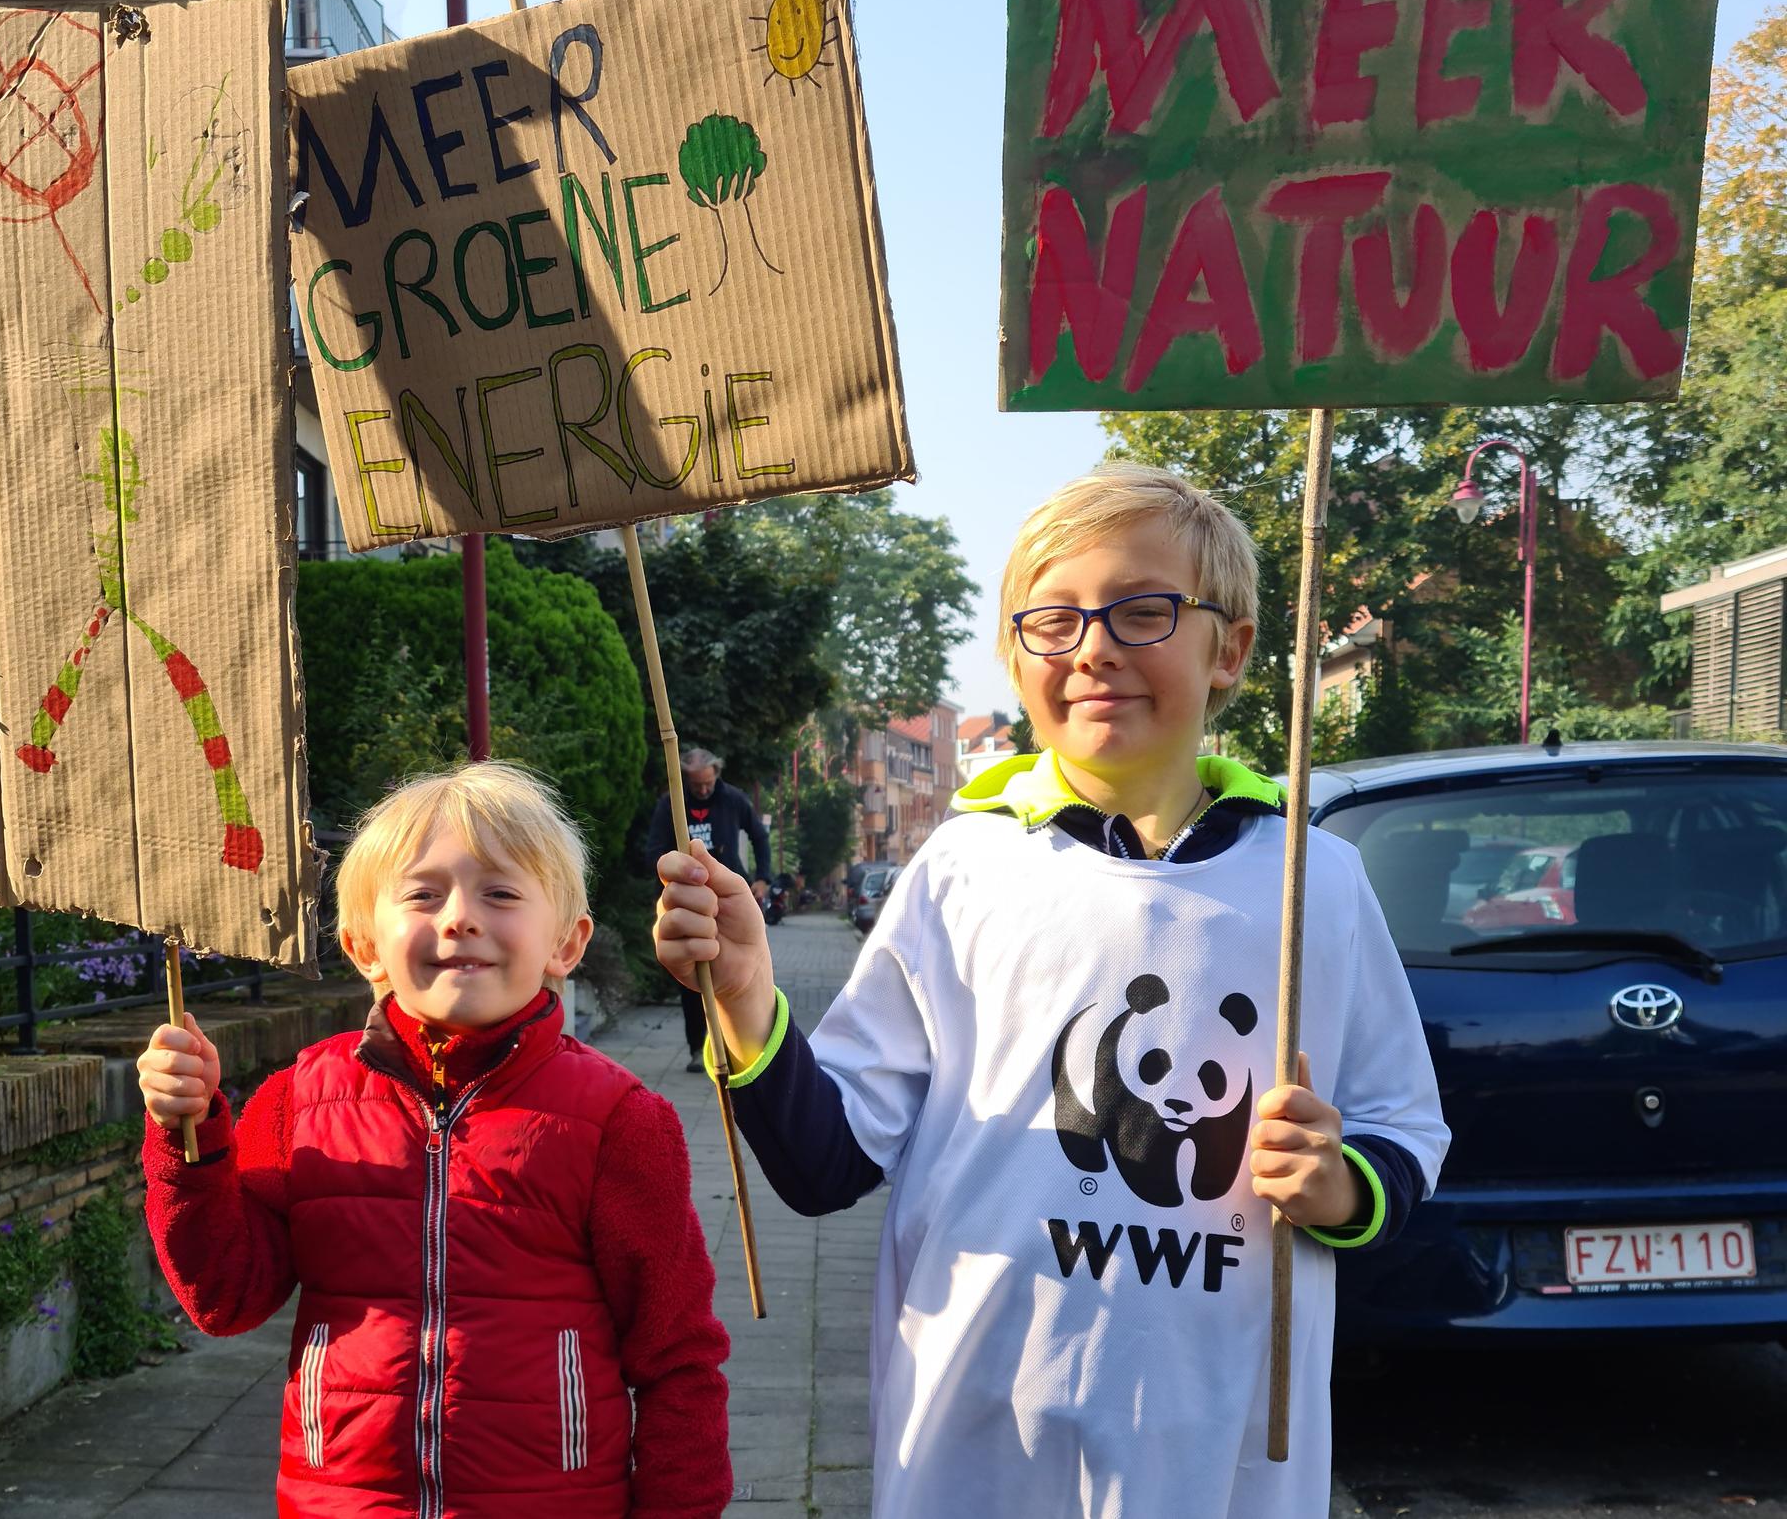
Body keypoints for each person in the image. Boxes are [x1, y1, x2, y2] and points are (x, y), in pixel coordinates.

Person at [654, 464, 1448, 1519]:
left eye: (1144, 609)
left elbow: (1406, 1130)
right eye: (1054, 619)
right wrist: (747, 994)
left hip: (1218, 1450)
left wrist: (1340, 1183)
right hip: (975, 1438)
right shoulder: (960, 868)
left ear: (1233, 648)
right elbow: (825, 1160)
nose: (1094, 645)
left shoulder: (1316, 880)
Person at [140, 762, 731, 1518]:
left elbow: (678, 1357)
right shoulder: (299, 1099)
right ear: (363, 945)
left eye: (502, 892)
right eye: (423, 893)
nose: (460, 917)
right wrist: (189, 1147)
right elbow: (225, 1296)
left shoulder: (619, 1120)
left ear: (567, 943)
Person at [643, 746, 771, 1071]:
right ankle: (696, 1047)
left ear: (716, 775)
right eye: (697, 786)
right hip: (690, 903)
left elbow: (759, 835)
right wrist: (671, 876)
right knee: (694, 979)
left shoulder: (733, 800)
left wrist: (762, 878)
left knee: (734, 972)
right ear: (685, 779)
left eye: (708, 784)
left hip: (728, 902)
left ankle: (734, 1044)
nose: (703, 791)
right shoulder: (671, 804)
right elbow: (655, 850)